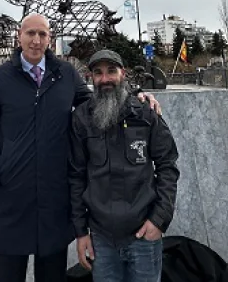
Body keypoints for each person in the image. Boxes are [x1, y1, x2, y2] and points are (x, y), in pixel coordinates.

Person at [0, 13, 161, 282]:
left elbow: (97, 104)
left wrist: (135, 98)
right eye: (30, 33)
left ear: (50, 39)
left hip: (53, 208)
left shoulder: (65, 75)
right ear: (19, 36)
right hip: (11, 205)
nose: (36, 40)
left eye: (42, 34)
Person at [69, 50, 179, 282]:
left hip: (143, 236)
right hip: (101, 239)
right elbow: (76, 176)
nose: (105, 79)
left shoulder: (146, 113)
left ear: (123, 73)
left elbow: (168, 166)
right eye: (98, 73)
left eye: (111, 71)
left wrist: (159, 220)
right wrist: (81, 232)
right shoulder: (81, 118)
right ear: (91, 78)